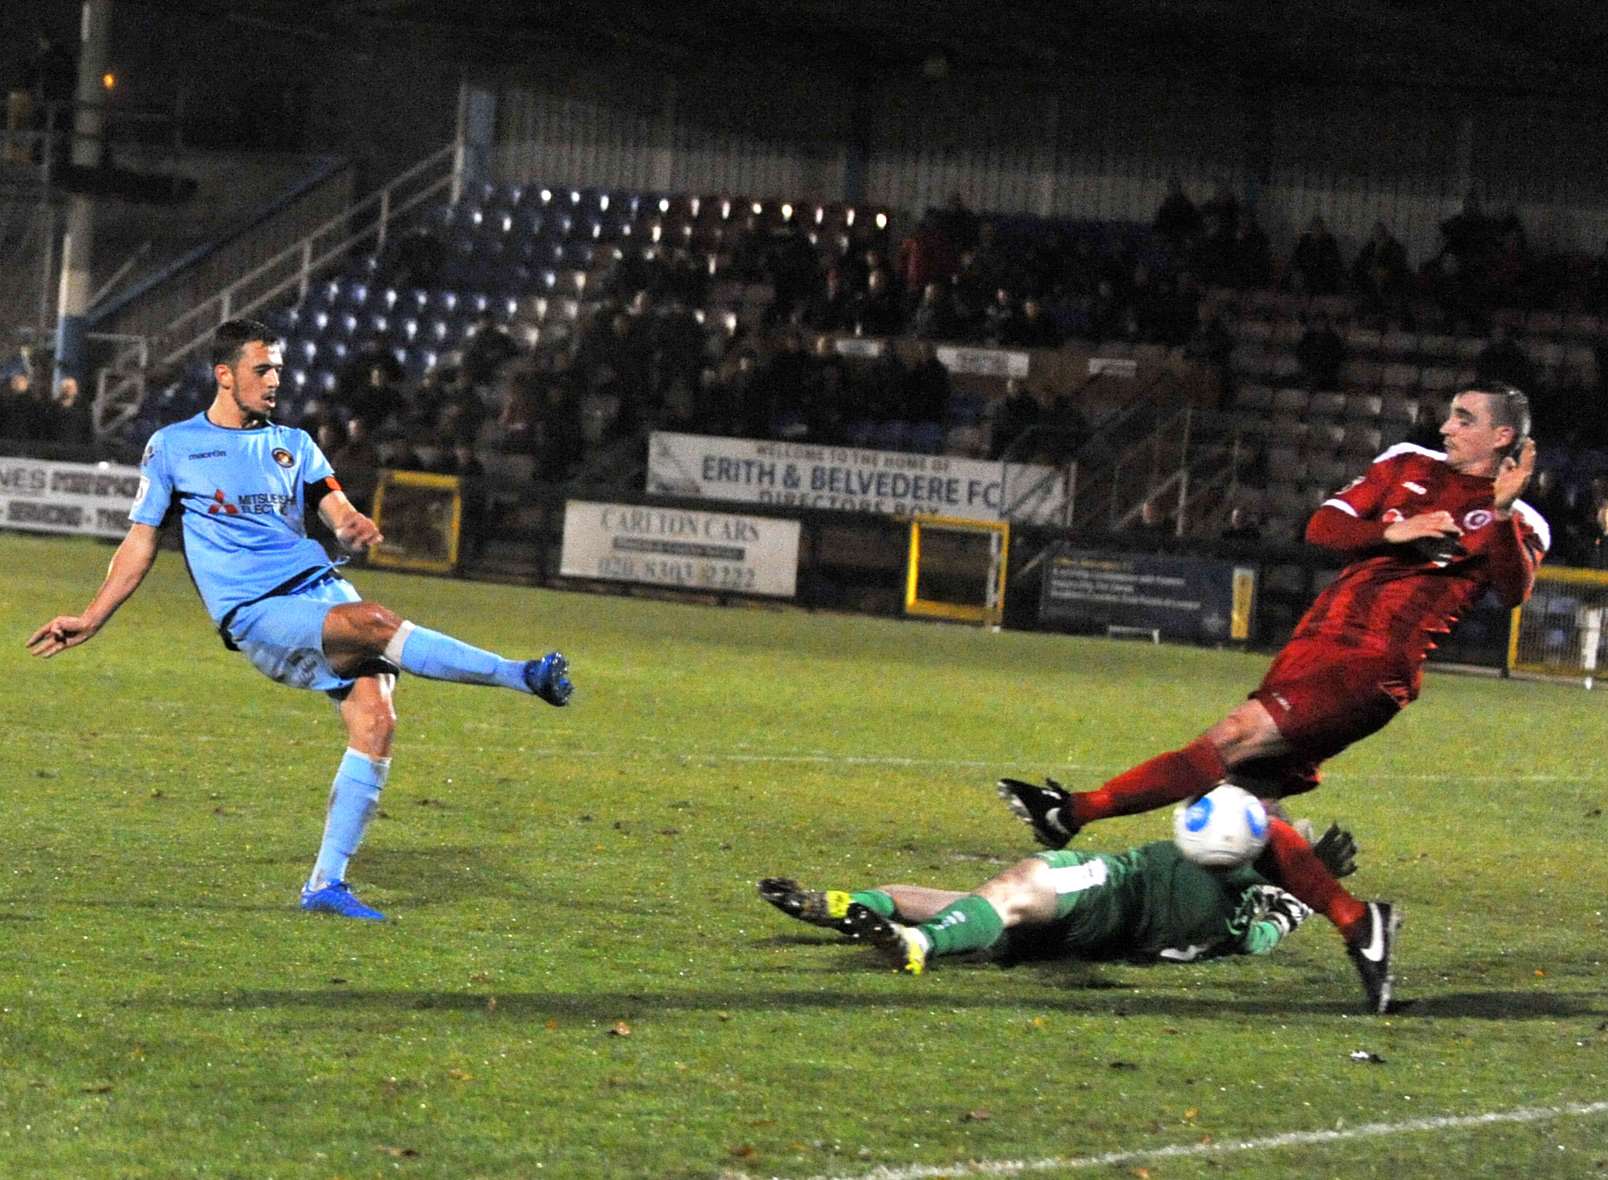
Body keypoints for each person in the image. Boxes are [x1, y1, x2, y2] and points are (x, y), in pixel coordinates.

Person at [998, 384, 1546, 1013]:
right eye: (1450, 414)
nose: (1447, 426)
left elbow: (1513, 591)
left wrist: (1502, 513)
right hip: (1314, 646)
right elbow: (1324, 526)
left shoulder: (1522, 519)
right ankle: (1360, 926)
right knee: (1239, 803)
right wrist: (1395, 530)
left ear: (1502, 438)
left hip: (1372, 664)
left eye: (1464, 419)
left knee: (1231, 738)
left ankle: (1072, 813)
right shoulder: (1404, 465)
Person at [26, 319, 574, 922]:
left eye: (279, 370)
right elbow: (140, 541)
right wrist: (93, 616)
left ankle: (325, 886)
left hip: (318, 587)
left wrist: (350, 524)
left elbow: (334, 506)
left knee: (376, 719)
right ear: (225, 374)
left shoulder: (294, 442)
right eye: (262, 369)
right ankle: (521, 676)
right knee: (374, 622)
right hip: (258, 611)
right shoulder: (174, 446)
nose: (274, 381)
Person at [758, 823, 1357, 975]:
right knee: (982, 907)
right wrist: (1302, 904)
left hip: (1108, 888)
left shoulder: (1233, 868)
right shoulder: (1238, 932)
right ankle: (847, 907)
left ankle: (916, 942)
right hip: (1097, 943)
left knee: (1015, 887)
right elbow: (1267, 932)